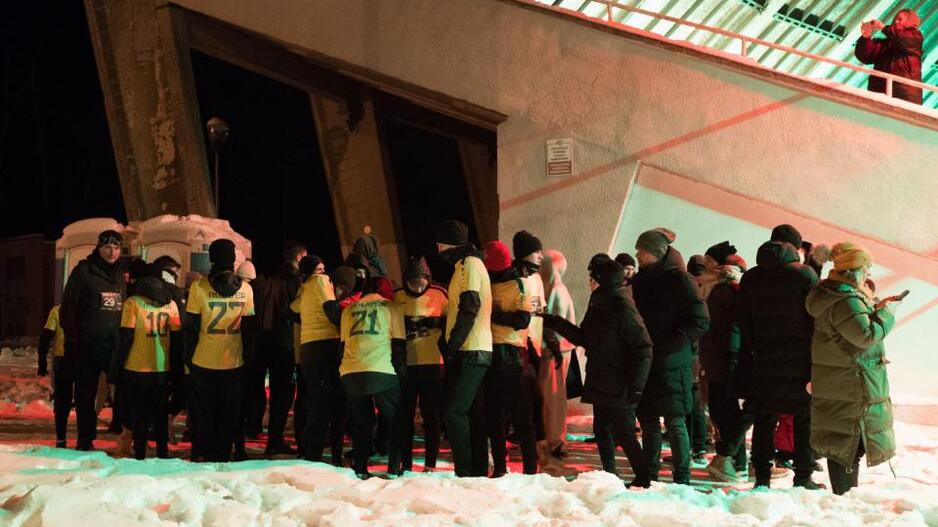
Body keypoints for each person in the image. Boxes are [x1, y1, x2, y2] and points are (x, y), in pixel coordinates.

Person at [542, 256, 653, 487]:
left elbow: (643, 347)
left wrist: (637, 386)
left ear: (603, 280)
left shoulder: (622, 305)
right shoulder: (599, 302)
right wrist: (554, 322)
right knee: (601, 429)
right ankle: (609, 476)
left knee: (624, 433)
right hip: (601, 375)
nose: (589, 282)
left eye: (592, 278)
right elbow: (584, 337)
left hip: (620, 380)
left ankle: (644, 478)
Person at [805, 242, 899, 495]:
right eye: (866, 266)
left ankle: (844, 496)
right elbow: (866, 335)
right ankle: (844, 497)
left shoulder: (835, 294)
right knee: (849, 444)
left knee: (845, 441)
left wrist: (876, 309)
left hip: (841, 379)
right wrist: (887, 313)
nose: (869, 271)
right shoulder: (846, 300)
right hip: (851, 382)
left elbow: (854, 330)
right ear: (854, 269)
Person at [737, 224, 822, 488]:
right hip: (800, 360)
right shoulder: (805, 275)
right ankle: (803, 477)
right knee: (803, 420)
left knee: (764, 419)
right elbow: (816, 318)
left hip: (764, 358)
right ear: (796, 248)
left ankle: (762, 477)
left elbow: (743, 319)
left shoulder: (751, 277)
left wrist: (755, 347)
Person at [631, 229, 709, 486]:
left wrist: (670, 343)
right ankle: (648, 475)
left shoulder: (681, 280)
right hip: (646, 358)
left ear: (655, 252)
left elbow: (700, 320)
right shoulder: (641, 280)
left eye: (641, 250)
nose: (637, 255)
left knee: (675, 420)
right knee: (649, 420)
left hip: (672, 359)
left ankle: (682, 477)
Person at [184, 239, 258, 462]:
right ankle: (223, 455)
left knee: (203, 413)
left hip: (203, 360)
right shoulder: (246, 289)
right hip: (233, 361)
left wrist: (188, 358)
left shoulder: (199, 287)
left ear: (212, 259)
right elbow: (249, 330)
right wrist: (248, 359)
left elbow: (191, 328)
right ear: (233, 259)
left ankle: (202, 453)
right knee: (229, 413)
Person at [60, 229, 127, 451]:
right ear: (99, 247)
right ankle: (85, 440)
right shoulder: (83, 271)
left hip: (113, 344)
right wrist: (72, 340)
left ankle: (122, 433)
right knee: (85, 394)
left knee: (124, 388)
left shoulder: (119, 274)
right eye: (107, 247)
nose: (112, 252)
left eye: (116, 247)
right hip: (87, 345)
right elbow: (68, 307)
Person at [435, 219, 492, 477]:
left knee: (454, 411)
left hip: (471, 349)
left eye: (440, 245)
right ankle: (476, 470)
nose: (438, 250)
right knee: (471, 412)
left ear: (450, 244)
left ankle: (465, 471)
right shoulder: (464, 265)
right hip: (471, 349)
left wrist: (452, 345)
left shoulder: (469, 265)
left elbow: (470, 307)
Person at [108, 265, 182, 460]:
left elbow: (125, 338)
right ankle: (162, 453)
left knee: (139, 416)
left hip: (135, 368)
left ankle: (140, 453)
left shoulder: (133, 303)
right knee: (160, 415)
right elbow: (177, 342)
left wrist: (115, 371)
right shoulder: (171, 305)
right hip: (162, 368)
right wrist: (177, 371)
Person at [339, 276, 407, 479]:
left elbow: (343, 344)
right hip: (381, 370)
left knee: (362, 423)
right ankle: (393, 469)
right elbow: (399, 346)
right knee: (396, 421)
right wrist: (402, 377)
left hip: (350, 372)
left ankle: (360, 468)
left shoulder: (348, 310)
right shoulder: (391, 307)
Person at [696, 242, 751, 482]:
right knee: (724, 409)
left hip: (725, 355)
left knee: (723, 409)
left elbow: (732, 324)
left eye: (709, 259)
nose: (705, 263)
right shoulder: (713, 286)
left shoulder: (726, 287)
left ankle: (731, 460)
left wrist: (731, 353)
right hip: (717, 354)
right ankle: (737, 463)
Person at [484, 241, 538, 476]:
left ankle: (530, 471)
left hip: (513, 355)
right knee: (494, 417)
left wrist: (493, 315)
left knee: (521, 417)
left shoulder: (520, 284)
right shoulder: (487, 282)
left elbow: (522, 320)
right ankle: (500, 469)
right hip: (490, 352)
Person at [290, 259, 350, 465]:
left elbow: (292, 310)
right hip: (326, 346)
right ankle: (331, 457)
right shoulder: (320, 282)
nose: (324, 273)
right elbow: (330, 308)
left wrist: (309, 320)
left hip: (307, 349)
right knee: (336, 403)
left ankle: (312, 455)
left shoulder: (304, 287)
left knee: (317, 403)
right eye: (320, 269)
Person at [393, 257, 448, 472]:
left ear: (428, 280)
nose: (417, 288)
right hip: (406, 364)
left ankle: (430, 464)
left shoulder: (439, 294)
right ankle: (405, 464)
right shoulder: (397, 296)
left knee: (431, 416)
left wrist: (437, 322)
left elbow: (453, 320)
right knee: (404, 416)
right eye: (412, 283)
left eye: (421, 283)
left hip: (433, 363)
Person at [253, 241, 305, 456]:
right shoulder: (295, 280)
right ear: (299, 257)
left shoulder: (272, 278)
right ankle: (275, 439)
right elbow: (294, 311)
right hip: (286, 341)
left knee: (276, 392)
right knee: (285, 394)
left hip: (268, 339)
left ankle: (272, 439)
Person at [512, 230, 552, 465]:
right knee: (526, 401)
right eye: (536, 252)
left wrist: (548, 339)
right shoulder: (513, 278)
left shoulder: (536, 279)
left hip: (534, 348)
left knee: (536, 400)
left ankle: (538, 447)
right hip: (517, 347)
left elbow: (541, 312)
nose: (541, 256)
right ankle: (532, 451)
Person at [539, 249, 577, 459]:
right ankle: (553, 438)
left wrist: (548, 345)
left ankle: (555, 440)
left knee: (552, 397)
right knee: (553, 397)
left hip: (554, 351)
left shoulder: (556, 291)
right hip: (557, 350)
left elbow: (554, 325)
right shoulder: (555, 289)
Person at [855, 9, 924, 105]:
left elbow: (903, 39)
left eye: (900, 19)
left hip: (904, 95)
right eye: (895, 19)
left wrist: (882, 27)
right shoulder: (885, 44)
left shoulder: (915, 38)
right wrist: (866, 37)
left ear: (910, 22)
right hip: (880, 92)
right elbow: (865, 56)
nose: (896, 22)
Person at [39, 305, 70, 448]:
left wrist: (42, 361)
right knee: (85, 400)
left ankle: (61, 439)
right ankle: (85, 440)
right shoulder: (88, 308)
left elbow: (46, 336)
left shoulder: (57, 311)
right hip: (83, 359)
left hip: (62, 357)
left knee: (62, 400)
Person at [352, 235, 395, 300]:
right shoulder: (376, 268)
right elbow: (388, 296)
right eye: (374, 247)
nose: (376, 250)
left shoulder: (353, 266)